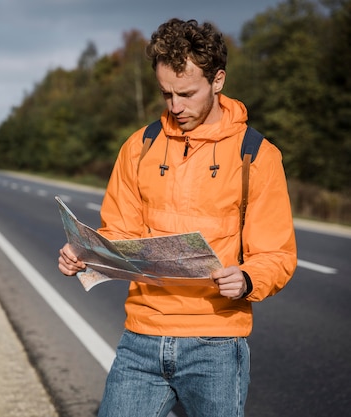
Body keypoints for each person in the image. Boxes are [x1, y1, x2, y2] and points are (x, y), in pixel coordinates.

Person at [58, 18, 297, 417]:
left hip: (216, 344)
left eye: (186, 94)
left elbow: (277, 254)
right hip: (142, 337)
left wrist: (248, 278)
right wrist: (84, 252)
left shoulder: (257, 155)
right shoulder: (140, 146)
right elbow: (119, 231)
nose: (175, 106)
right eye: (166, 94)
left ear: (218, 80)